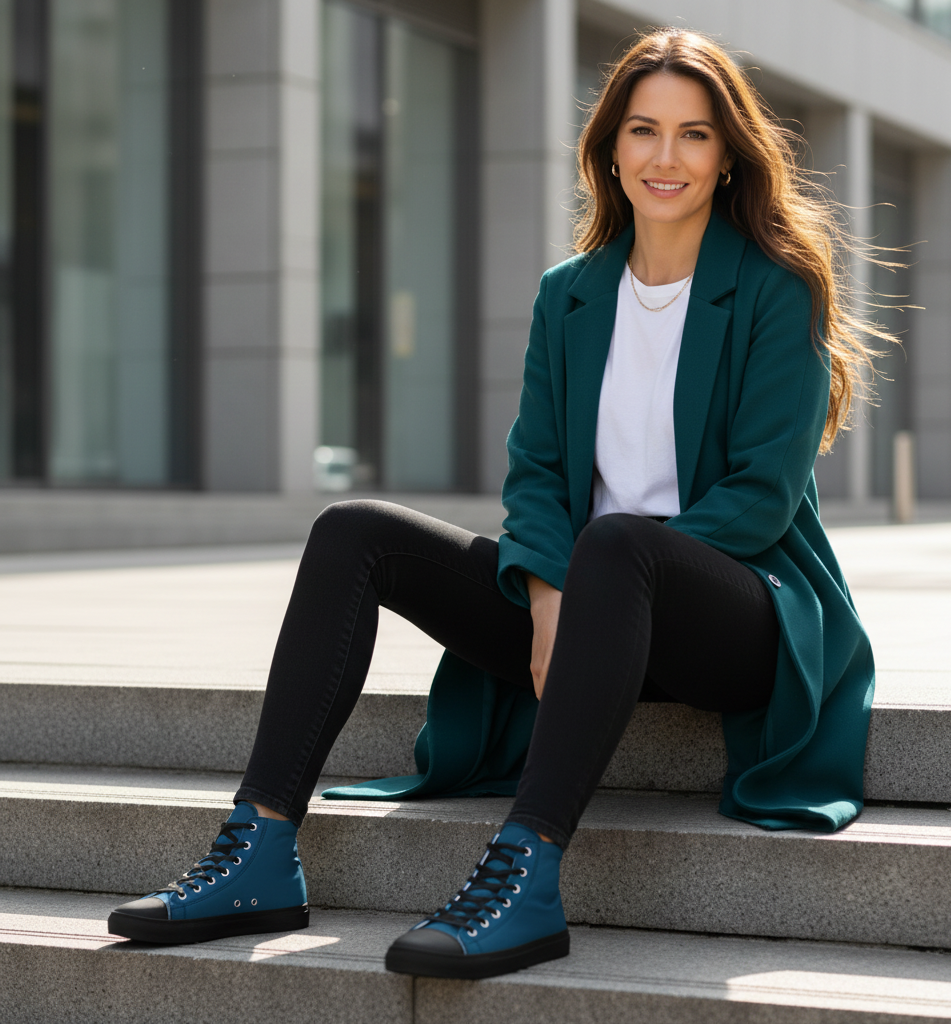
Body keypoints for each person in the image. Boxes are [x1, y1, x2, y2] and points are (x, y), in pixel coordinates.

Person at [108, 28, 885, 981]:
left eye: (694, 134)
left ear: (728, 156)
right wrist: (551, 595)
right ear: (610, 148)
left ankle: (526, 877)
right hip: (591, 602)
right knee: (354, 533)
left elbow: (760, 500)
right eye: (644, 130)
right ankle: (259, 850)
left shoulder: (776, 289)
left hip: (732, 612)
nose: (666, 156)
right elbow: (536, 473)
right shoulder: (571, 295)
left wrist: (595, 577)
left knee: (618, 543)